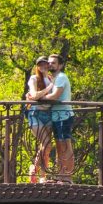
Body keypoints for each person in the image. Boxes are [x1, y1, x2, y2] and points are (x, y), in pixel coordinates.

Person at [43, 53, 75, 183]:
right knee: (59, 145)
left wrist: (41, 98)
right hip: (57, 116)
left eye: (54, 63)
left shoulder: (61, 77)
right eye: (49, 62)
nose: (50, 64)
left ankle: (67, 176)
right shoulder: (53, 78)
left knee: (66, 145)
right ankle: (61, 174)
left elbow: (56, 95)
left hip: (64, 116)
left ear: (60, 65)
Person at [23, 56, 54, 183]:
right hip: (35, 113)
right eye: (40, 65)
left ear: (48, 65)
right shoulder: (34, 78)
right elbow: (34, 95)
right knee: (47, 144)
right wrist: (48, 89)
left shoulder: (51, 78)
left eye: (45, 64)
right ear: (37, 67)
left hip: (48, 113)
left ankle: (37, 171)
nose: (42, 67)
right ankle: (41, 175)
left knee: (46, 146)